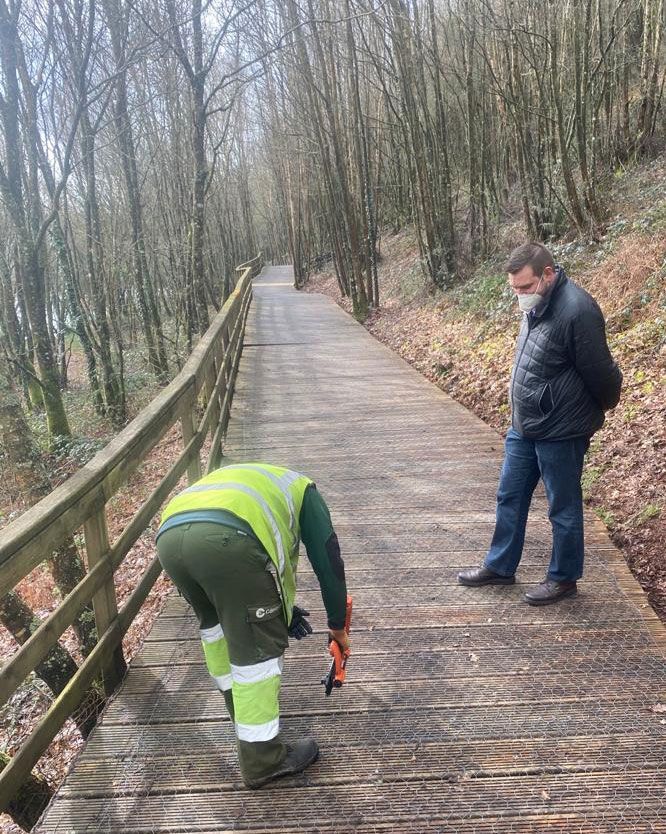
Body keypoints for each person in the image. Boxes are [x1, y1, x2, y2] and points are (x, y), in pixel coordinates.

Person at [155, 462, 349, 788]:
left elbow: (271, 569)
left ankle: (242, 721)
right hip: (225, 542)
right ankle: (262, 760)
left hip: (170, 538)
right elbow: (329, 563)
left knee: (216, 630)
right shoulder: (306, 494)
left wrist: (281, 613)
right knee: (258, 653)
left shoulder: (256, 481)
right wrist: (338, 627)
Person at [458, 243, 622, 605]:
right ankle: (500, 566)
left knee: (562, 507)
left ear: (548, 274)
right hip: (525, 425)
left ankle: (563, 579)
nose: (519, 295)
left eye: (525, 287)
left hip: (561, 430)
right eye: (514, 288)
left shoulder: (577, 310)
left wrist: (593, 412)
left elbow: (603, 375)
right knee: (509, 495)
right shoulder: (536, 302)